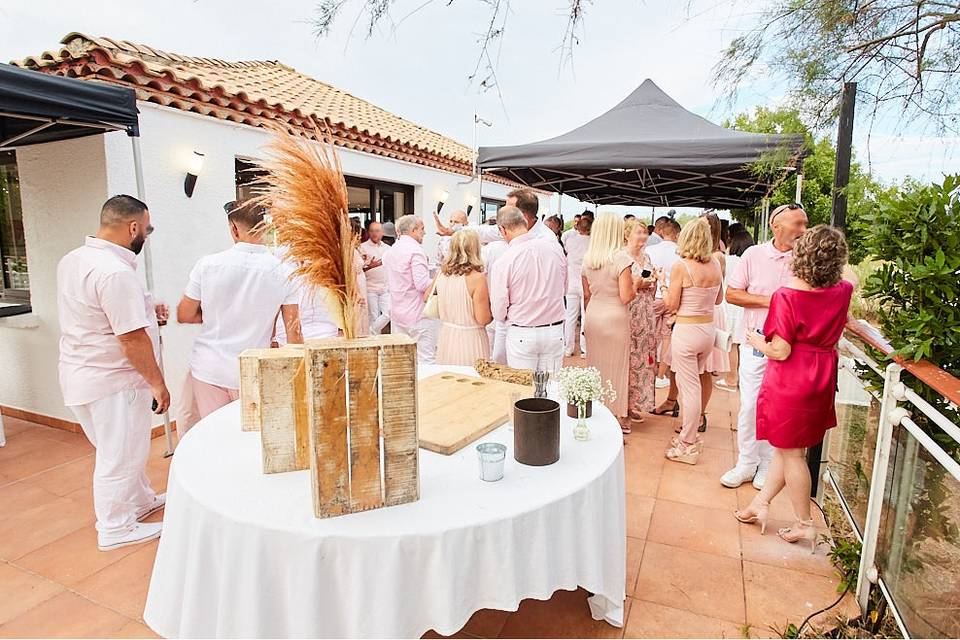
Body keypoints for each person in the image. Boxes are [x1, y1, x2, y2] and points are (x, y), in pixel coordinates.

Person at [57, 195, 169, 550]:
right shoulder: (115, 271)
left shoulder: (74, 259)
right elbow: (131, 339)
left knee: (120, 447)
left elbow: (95, 313)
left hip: (82, 373)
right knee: (119, 455)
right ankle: (115, 527)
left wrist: (149, 310)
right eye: (146, 229)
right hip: (115, 380)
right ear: (133, 227)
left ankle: (139, 500)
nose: (146, 236)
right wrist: (157, 384)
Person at [735, 225, 853, 550]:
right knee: (788, 450)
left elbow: (781, 350)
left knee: (792, 454)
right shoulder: (843, 290)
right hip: (822, 373)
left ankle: (804, 524)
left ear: (801, 255)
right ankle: (761, 504)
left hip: (792, 378)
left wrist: (758, 339)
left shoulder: (787, 294)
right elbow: (849, 288)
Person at [177, 202, 301, 419]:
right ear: (265, 228)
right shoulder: (285, 273)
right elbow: (295, 335)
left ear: (233, 229)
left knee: (211, 434)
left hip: (209, 368)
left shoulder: (207, 265)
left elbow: (184, 314)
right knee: (246, 436)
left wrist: (219, 315)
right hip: (251, 368)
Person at [721, 203, 808, 490]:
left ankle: (768, 465)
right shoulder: (753, 255)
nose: (803, 230)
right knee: (749, 405)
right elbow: (732, 294)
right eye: (798, 224)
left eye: (805, 224)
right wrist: (772, 300)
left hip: (793, 349)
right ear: (776, 225)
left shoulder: (807, 259)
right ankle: (746, 462)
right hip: (757, 342)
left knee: (780, 409)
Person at [662, 218, 723, 464]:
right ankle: (689, 437)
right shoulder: (716, 264)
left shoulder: (681, 266)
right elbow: (718, 300)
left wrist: (663, 285)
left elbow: (670, 304)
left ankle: (687, 443)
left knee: (690, 390)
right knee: (695, 386)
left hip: (687, 332)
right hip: (707, 330)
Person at [490, 206, 567, 371]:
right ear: (525, 223)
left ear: (502, 229)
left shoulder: (504, 261)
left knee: (524, 390)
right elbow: (564, 288)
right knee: (551, 389)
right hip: (554, 330)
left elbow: (498, 310)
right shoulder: (555, 249)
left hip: (522, 332)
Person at [581, 213, 636, 433]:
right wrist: (637, 284)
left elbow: (586, 294)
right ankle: (615, 418)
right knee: (617, 368)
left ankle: (595, 410)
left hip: (594, 314)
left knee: (596, 366)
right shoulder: (621, 259)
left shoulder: (588, 259)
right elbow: (626, 296)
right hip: (615, 316)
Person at [383, 214, 439, 363]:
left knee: (402, 359)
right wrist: (439, 278)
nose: (424, 233)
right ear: (413, 230)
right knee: (426, 359)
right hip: (417, 314)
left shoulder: (390, 251)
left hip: (398, 312)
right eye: (422, 229)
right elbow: (421, 284)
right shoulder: (415, 251)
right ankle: (425, 386)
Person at [432, 230, 492, 365]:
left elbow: (426, 296)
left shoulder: (442, 274)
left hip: (447, 336)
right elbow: (483, 319)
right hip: (471, 339)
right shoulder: (477, 278)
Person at [624, 218, 658, 423]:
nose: (643, 237)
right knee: (628, 358)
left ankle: (635, 403)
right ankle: (623, 405)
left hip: (645, 311)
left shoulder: (646, 257)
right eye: (639, 232)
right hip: (630, 310)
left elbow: (650, 281)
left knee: (643, 358)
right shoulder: (621, 257)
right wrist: (640, 283)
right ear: (627, 234)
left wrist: (650, 281)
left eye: (645, 233)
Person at [434, 187, 557, 244]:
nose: (503, 212)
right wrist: (452, 231)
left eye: (508, 210)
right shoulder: (507, 229)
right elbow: (481, 231)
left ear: (523, 216)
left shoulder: (546, 240)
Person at [699, 212, 729, 431]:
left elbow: (717, 293)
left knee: (706, 369)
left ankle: (700, 413)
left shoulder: (716, 256)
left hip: (711, 309)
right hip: (702, 309)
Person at [716, 228, 756, 392]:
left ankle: (731, 379)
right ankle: (742, 379)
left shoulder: (728, 260)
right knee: (744, 345)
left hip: (730, 306)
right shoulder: (753, 261)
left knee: (732, 344)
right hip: (747, 306)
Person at [647, 218, 682, 403]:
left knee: (650, 335)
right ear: (676, 234)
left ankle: (650, 368)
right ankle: (661, 374)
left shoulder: (651, 250)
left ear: (662, 233)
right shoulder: (680, 253)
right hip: (672, 298)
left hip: (654, 296)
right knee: (667, 335)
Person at [562, 215, 591, 357]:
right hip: (586, 283)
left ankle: (568, 348)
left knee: (570, 316)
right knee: (585, 316)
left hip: (571, 283)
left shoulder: (570, 240)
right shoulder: (593, 242)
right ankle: (584, 350)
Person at [360, 220, 391, 334]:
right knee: (373, 316)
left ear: (382, 232)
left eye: (377, 231)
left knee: (389, 313)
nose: (374, 233)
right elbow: (357, 270)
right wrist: (370, 266)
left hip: (385, 288)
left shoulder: (388, 248)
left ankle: (371, 331)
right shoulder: (362, 248)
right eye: (372, 231)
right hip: (370, 288)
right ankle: (375, 343)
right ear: (368, 232)